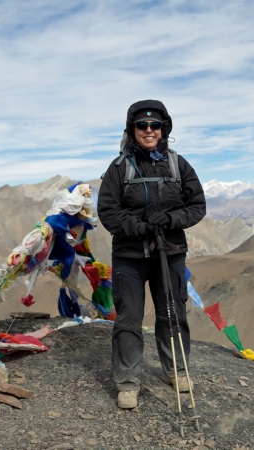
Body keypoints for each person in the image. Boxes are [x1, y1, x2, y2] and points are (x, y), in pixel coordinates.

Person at [97, 99, 206, 409]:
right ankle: (128, 382)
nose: (149, 130)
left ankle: (176, 370)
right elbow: (108, 210)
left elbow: (197, 206)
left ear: (163, 129)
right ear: (132, 130)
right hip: (129, 255)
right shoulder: (119, 168)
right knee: (129, 317)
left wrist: (171, 220)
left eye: (154, 125)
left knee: (173, 312)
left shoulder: (177, 164)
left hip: (169, 251)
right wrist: (138, 226)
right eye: (142, 125)